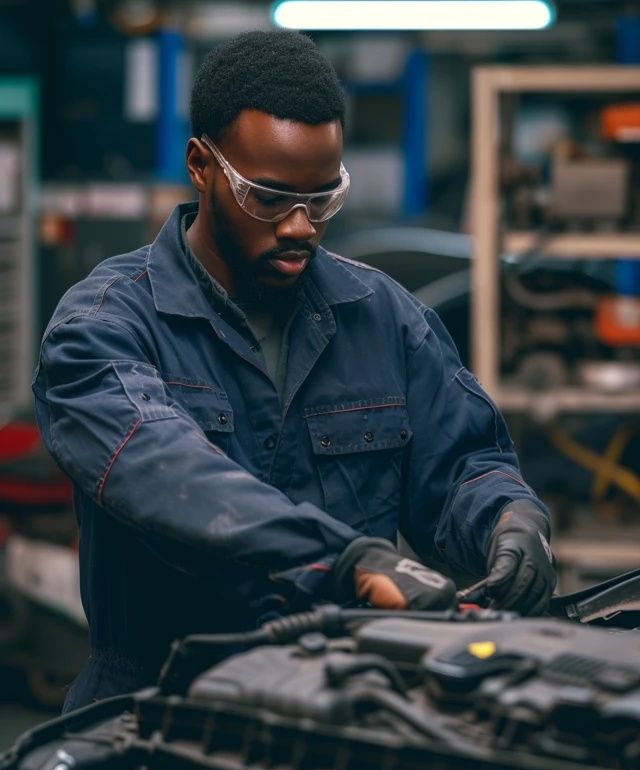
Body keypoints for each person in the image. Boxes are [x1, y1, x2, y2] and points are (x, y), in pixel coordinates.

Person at [33, 30, 555, 712]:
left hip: (343, 704)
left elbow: (462, 464)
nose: (302, 226)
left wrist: (510, 520)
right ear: (201, 165)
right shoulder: (103, 327)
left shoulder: (384, 318)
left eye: (323, 198)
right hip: (155, 711)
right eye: (271, 197)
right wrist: (348, 562)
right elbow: (165, 468)